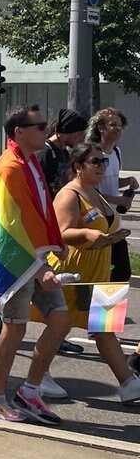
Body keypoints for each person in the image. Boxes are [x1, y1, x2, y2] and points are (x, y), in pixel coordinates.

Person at [0, 104, 71, 424]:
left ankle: (30, 391)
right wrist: (41, 266)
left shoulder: (29, 160)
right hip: (19, 262)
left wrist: (53, 244)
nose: (47, 129)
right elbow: (12, 228)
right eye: (40, 125)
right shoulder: (10, 167)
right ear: (19, 132)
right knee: (15, 329)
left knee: (60, 321)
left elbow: (37, 210)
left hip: (35, 260)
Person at [46, 143, 140, 404]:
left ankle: (129, 383)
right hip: (77, 269)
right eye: (96, 162)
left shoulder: (94, 192)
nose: (102, 167)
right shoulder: (69, 195)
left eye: (104, 162)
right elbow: (60, 233)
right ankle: (37, 377)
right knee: (59, 326)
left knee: (105, 328)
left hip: (102, 265)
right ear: (78, 166)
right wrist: (87, 234)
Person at [86, 108, 140, 375]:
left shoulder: (115, 153)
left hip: (112, 222)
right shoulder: (93, 153)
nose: (117, 128)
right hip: (96, 222)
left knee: (119, 274)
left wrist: (124, 182)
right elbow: (88, 188)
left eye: (119, 124)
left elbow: (107, 183)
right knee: (102, 275)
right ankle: (99, 328)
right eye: (111, 124)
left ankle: (103, 328)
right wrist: (118, 200)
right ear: (100, 127)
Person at [34, 107, 89, 364]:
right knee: (50, 281)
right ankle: (57, 334)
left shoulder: (64, 153)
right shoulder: (46, 153)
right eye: (77, 133)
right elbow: (42, 191)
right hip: (52, 222)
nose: (80, 138)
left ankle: (68, 332)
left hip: (64, 224)